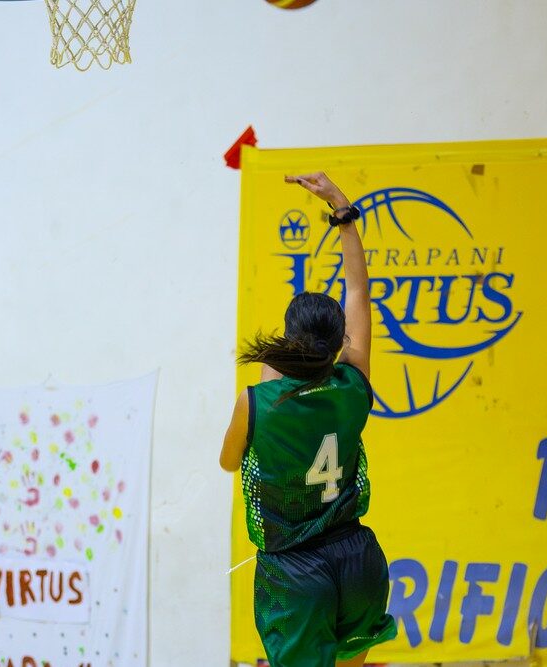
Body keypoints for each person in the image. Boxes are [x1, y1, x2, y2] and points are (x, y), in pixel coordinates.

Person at [220, 173, 397, 667]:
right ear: (340, 341)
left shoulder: (257, 402)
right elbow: (359, 292)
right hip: (356, 557)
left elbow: (228, 462)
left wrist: (266, 381)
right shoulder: (352, 384)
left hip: (296, 574)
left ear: (291, 339)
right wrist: (341, 207)